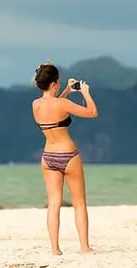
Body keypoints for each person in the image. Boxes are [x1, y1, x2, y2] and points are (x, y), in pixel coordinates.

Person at [32, 62, 98, 254]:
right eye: (59, 83)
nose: (59, 85)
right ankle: (84, 247)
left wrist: (68, 90)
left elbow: (54, 109)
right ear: (53, 83)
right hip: (68, 155)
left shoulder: (36, 105)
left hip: (48, 157)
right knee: (79, 203)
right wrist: (85, 92)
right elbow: (92, 112)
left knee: (53, 203)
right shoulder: (62, 104)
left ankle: (55, 249)